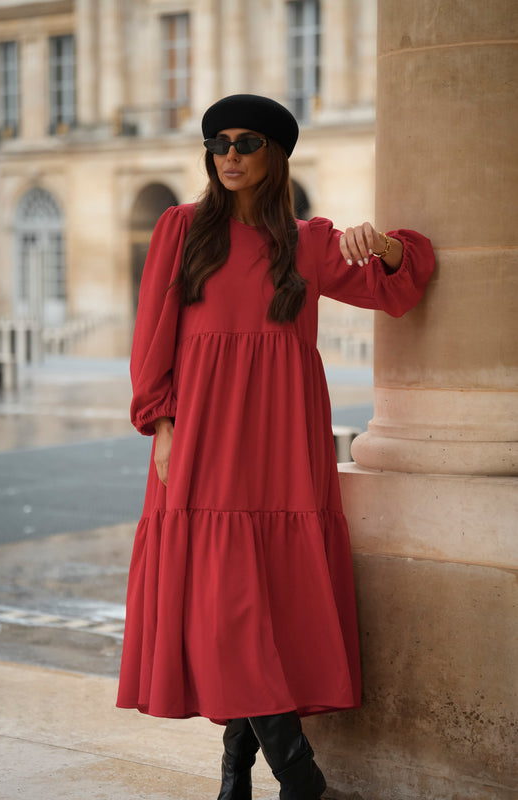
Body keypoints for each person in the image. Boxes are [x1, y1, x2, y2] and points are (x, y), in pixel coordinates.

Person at [116, 94, 435, 799]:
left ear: (275, 155)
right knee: (223, 599)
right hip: (201, 433)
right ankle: (300, 778)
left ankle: (236, 774)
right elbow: (151, 336)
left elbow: (401, 287)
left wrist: (383, 245)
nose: (229, 155)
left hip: (284, 435)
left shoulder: (308, 242)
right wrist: (161, 425)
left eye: (246, 142)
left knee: (264, 600)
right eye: (218, 143)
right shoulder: (180, 228)